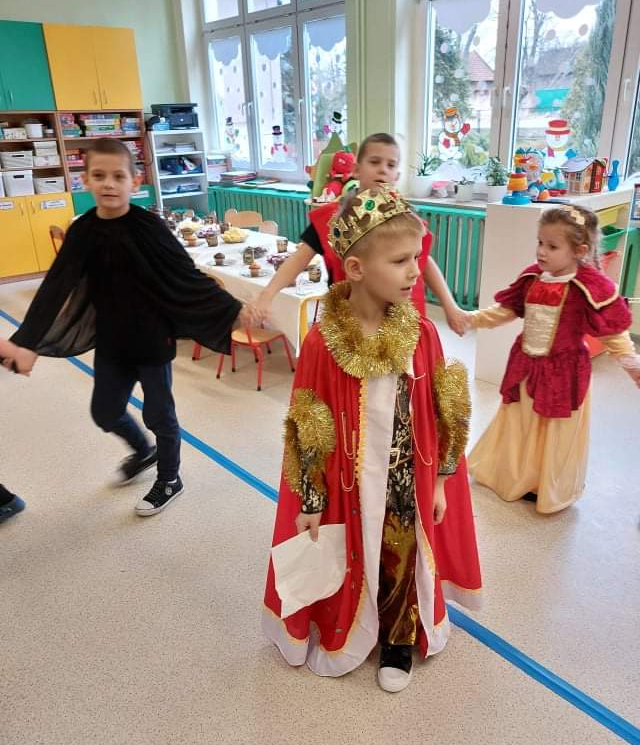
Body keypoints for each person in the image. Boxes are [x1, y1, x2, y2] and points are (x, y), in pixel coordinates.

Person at [262, 186, 482, 692]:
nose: (415, 272)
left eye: (417, 258)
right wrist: (311, 499)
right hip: (348, 484)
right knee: (353, 553)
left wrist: (441, 482)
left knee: (401, 554)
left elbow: (445, 412)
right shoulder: (324, 342)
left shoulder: (422, 333)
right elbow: (308, 422)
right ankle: (349, 623)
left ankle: (398, 640)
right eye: (401, 261)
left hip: (407, 481)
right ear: (357, 268)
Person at [0, 139, 255, 516]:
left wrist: (234, 310)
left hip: (152, 341)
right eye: (99, 175)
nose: (108, 183)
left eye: (118, 176)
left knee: (160, 416)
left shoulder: (148, 226)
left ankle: (170, 478)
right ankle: (143, 451)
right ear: (86, 180)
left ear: (135, 182)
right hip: (112, 342)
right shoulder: (83, 231)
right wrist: (26, 342)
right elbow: (56, 286)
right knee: (105, 412)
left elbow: (186, 275)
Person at [463, 204, 640, 514]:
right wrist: (470, 319)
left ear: (579, 251)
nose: (541, 251)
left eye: (552, 246)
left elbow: (613, 335)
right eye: (540, 242)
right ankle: (515, 476)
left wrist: (632, 365)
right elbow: (506, 311)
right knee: (520, 422)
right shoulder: (532, 277)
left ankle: (544, 485)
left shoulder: (589, 287)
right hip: (527, 367)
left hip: (564, 374)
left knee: (554, 429)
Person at [249, 132, 467, 333]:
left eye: (391, 165)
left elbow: (425, 262)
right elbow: (299, 258)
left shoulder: (404, 218)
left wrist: (451, 307)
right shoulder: (331, 218)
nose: (383, 169)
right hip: (351, 323)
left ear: (396, 175)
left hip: (400, 322)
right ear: (356, 169)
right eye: (375, 162)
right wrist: (267, 295)